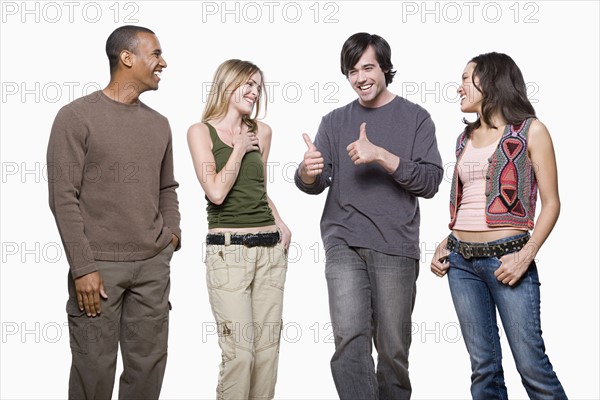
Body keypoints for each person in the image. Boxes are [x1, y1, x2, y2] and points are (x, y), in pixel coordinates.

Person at [295, 32, 443, 399]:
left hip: (396, 245)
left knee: (393, 349)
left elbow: (431, 182)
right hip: (343, 241)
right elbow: (316, 181)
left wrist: (381, 155)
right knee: (350, 340)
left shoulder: (416, 118)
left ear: (385, 68)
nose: (360, 78)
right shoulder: (334, 120)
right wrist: (307, 173)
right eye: (351, 71)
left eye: (367, 67)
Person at [47, 25, 181, 399]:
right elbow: (63, 196)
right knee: (94, 373)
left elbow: (166, 187)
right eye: (155, 54)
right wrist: (83, 266)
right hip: (99, 270)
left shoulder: (159, 124)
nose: (162, 62)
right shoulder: (75, 117)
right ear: (127, 58)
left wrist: (171, 236)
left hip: (152, 265)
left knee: (148, 370)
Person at [430, 52, 567, 399]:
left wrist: (527, 254)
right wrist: (447, 241)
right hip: (460, 263)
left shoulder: (531, 131)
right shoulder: (463, 139)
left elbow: (551, 203)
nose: (458, 87)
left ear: (489, 81)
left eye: (465, 79)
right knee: (484, 369)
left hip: (508, 260)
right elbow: (470, 200)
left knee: (532, 367)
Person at [187, 59, 291, 400]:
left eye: (258, 86)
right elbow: (216, 192)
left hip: (269, 250)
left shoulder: (263, 131)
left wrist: (280, 223)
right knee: (240, 355)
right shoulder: (200, 132)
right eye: (248, 84)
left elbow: (256, 188)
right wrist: (240, 148)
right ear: (227, 84)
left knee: (266, 356)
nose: (254, 91)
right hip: (227, 251)